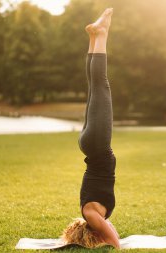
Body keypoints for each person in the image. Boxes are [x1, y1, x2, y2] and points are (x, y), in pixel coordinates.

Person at [62, 8, 120, 249]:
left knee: (100, 85)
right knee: (95, 87)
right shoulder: (93, 213)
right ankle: (95, 37)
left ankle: (101, 34)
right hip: (90, 144)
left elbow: (113, 239)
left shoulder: (92, 215)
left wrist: (114, 245)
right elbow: (110, 230)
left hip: (96, 145)